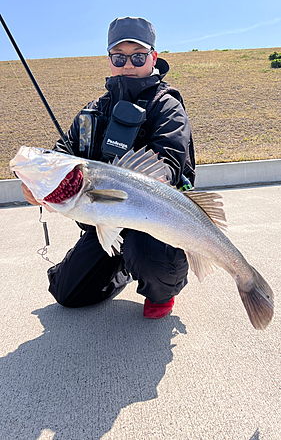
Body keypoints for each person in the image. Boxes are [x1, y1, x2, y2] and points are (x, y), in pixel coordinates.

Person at [22, 16, 195, 319]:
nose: (128, 63)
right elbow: (63, 154)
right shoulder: (93, 110)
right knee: (67, 294)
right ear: (110, 59)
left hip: (153, 223)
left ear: (152, 57)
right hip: (103, 220)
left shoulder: (166, 106)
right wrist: (39, 187)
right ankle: (123, 265)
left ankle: (162, 288)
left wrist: (133, 187)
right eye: (119, 56)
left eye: (138, 56)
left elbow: (168, 163)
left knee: (147, 252)